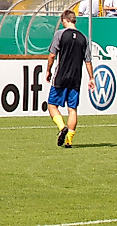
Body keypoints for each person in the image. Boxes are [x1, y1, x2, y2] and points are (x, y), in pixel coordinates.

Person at [46, 10, 95, 149]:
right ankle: (69, 141)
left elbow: (52, 55)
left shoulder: (60, 34)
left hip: (61, 76)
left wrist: (48, 70)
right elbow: (88, 61)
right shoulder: (83, 38)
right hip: (76, 78)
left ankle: (62, 127)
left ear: (65, 20)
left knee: (52, 105)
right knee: (72, 109)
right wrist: (91, 78)